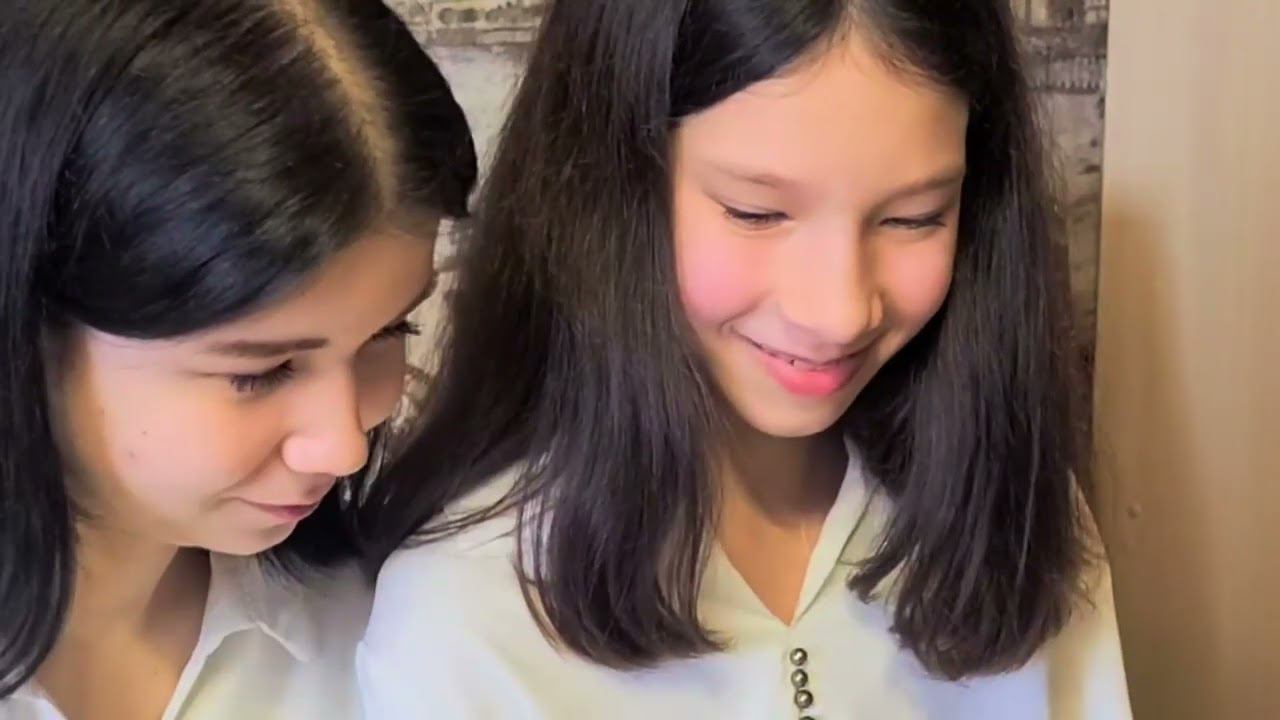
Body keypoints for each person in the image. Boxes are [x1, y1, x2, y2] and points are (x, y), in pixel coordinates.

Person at [356, 0, 1131, 717]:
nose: (839, 312)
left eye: (913, 217)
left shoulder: (1012, 516)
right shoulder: (465, 616)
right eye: (756, 213)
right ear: (606, 191)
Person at [0, 0, 475, 717]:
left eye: (390, 331)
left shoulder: (391, 630)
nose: (343, 447)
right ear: (32, 326)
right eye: (260, 372)